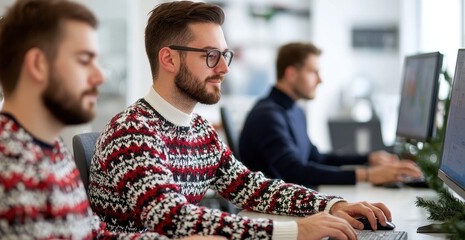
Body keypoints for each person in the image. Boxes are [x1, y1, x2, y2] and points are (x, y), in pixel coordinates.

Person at [89, 1, 395, 239]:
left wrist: (332, 206)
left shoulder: (199, 130)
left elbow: (252, 188)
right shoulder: (132, 131)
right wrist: (295, 232)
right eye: (210, 55)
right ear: (169, 59)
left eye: (225, 55)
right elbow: (173, 218)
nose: (224, 68)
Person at [0, 0, 213, 239]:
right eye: (84, 60)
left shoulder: (48, 150)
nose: (100, 76)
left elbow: (92, 234)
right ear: (38, 65)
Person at [238, 42, 423, 188]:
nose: (320, 80)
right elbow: (294, 171)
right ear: (291, 74)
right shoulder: (267, 116)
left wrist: (368, 158)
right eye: (313, 72)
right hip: (270, 214)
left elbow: (316, 158)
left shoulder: (294, 111)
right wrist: (368, 175)